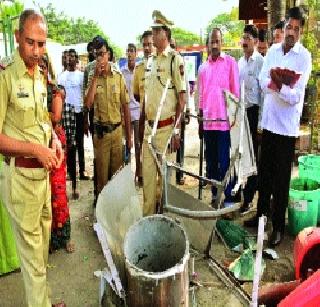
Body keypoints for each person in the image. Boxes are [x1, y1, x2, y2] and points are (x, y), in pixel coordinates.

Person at [0, 9, 65, 307]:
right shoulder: (5, 77)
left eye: (42, 43)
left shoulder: (39, 75)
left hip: (41, 179)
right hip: (21, 181)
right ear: (17, 38)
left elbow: (43, 120)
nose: (38, 51)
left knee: (41, 255)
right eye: (30, 43)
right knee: (33, 263)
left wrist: (52, 139)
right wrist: (36, 150)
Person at [244, 7, 312, 247]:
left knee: (282, 180)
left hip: (287, 129)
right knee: (265, 175)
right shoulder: (272, 51)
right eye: (288, 27)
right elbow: (262, 81)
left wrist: (278, 86)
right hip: (270, 123)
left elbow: (295, 96)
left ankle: (278, 228)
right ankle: (261, 217)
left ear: (301, 31)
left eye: (296, 28)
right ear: (283, 29)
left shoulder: (304, 57)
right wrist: (276, 84)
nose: (291, 32)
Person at [140, 11, 186, 216]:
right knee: (148, 184)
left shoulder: (175, 60)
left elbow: (182, 99)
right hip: (149, 130)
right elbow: (146, 97)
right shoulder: (150, 61)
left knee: (166, 185)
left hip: (167, 130)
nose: (153, 35)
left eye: (156, 31)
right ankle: (148, 224)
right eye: (152, 31)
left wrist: (177, 131)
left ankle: (166, 225)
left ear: (165, 34)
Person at [198, 28, 240, 206]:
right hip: (208, 124)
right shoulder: (203, 68)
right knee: (212, 164)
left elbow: (235, 94)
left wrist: (234, 120)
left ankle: (229, 198)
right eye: (211, 42)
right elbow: (201, 95)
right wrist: (200, 117)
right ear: (207, 44)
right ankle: (215, 196)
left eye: (217, 41)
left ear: (221, 43)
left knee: (226, 164)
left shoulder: (230, 63)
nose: (214, 45)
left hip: (224, 125)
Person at [85, 37, 131, 196]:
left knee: (117, 178)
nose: (100, 58)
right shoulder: (92, 76)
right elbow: (88, 104)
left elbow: (125, 106)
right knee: (102, 180)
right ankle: (102, 215)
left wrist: (129, 137)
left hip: (117, 134)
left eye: (102, 54)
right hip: (101, 136)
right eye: (96, 54)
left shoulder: (118, 76)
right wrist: (96, 77)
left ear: (108, 55)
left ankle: (115, 215)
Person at [39, 55, 75, 254]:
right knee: (46, 193)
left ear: (48, 68)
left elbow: (56, 117)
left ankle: (65, 236)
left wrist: (37, 113)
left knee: (58, 190)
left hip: (56, 145)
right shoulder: (32, 88)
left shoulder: (55, 91)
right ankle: (51, 238)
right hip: (39, 144)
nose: (40, 69)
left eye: (43, 66)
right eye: (38, 66)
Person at [238, 24, 264, 213]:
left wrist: (261, 123)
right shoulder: (239, 63)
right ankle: (240, 193)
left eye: (249, 37)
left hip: (254, 113)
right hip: (241, 113)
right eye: (243, 37)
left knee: (253, 157)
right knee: (241, 155)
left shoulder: (260, 62)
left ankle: (249, 199)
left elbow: (263, 95)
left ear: (255, 41)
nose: (245, 41)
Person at [58, 48, 89, 200]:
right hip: (66, 114)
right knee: (69, 146)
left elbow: (84, 95)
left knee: (80, 144)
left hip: (78, 113)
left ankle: (81, 170)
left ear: (76, 60)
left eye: (72, 56)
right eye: (67, 56)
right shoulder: (61, 76)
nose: (69, 59)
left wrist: (85, 119)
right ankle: (72, 177)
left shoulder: (81, 76)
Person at [170, 37, 191, 185]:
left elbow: (186, 89)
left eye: (173, 46)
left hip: (179, 111)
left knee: (179, 143)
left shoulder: (180, 64)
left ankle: (179, 173)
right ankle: (170, 174)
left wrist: (187, 109)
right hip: (167, 113)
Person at [133, 30, 153, 186]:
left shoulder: (162, 65)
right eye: (144, 45)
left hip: (159, 120)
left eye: (150, 44)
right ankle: (143, 176)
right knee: (144, 150)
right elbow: (136, 95)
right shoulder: (139, 69)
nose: (147, 48)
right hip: (143, 119)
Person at [121, 43, 141, 184]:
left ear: (136, 53)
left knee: (139, 145)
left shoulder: (140, 70)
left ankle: (139, 173)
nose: (130, 54)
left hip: (139, 112)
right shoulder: (122, 72)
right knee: (127, 144)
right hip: (126, 113)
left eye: (132, 51)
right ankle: (127, 176)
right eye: (128, 51)